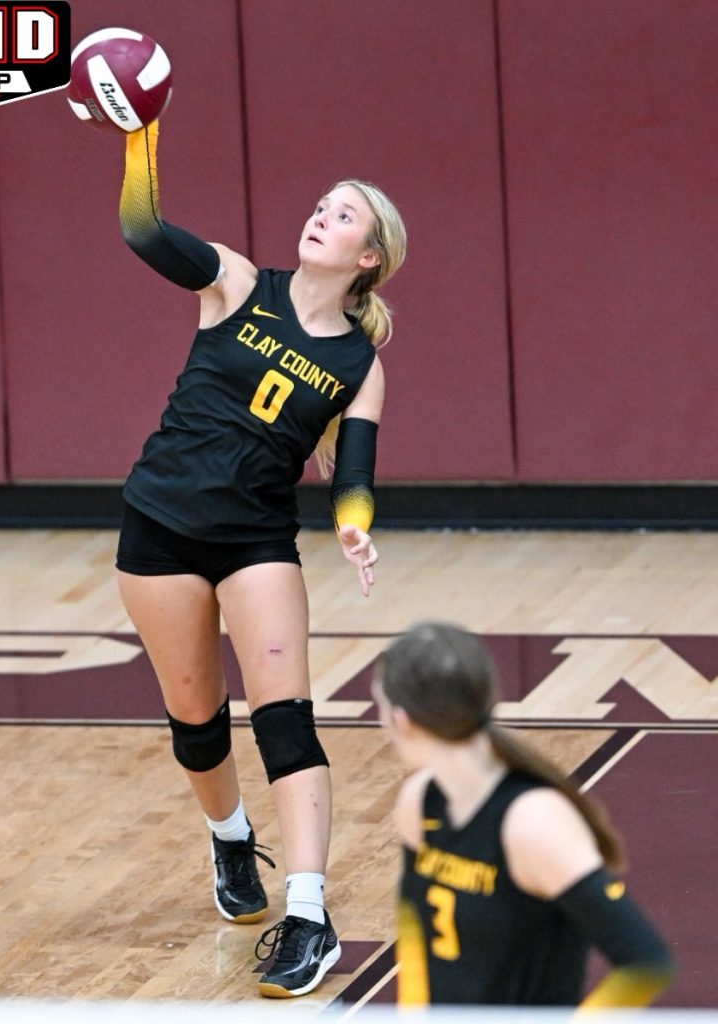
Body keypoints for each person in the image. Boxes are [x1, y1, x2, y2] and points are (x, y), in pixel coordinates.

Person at [110, 119, 406, 998]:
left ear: (368, 258)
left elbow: (354, 475)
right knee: (197, 723)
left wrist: (353, 525)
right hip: (159, 525)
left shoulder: (359, 364)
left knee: (285, 721)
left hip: (255, 541)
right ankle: (231, 838)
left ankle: (308, 916)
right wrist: (140, 134)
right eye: (321, 206)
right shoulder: (237, 281)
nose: (321, 217)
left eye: (344, 215)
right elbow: (143, 230)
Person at [372, 621, 675, 1007]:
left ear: (402, 720)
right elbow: (415, 927)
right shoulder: (418, 803)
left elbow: (646, 962)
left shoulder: (532, 822)